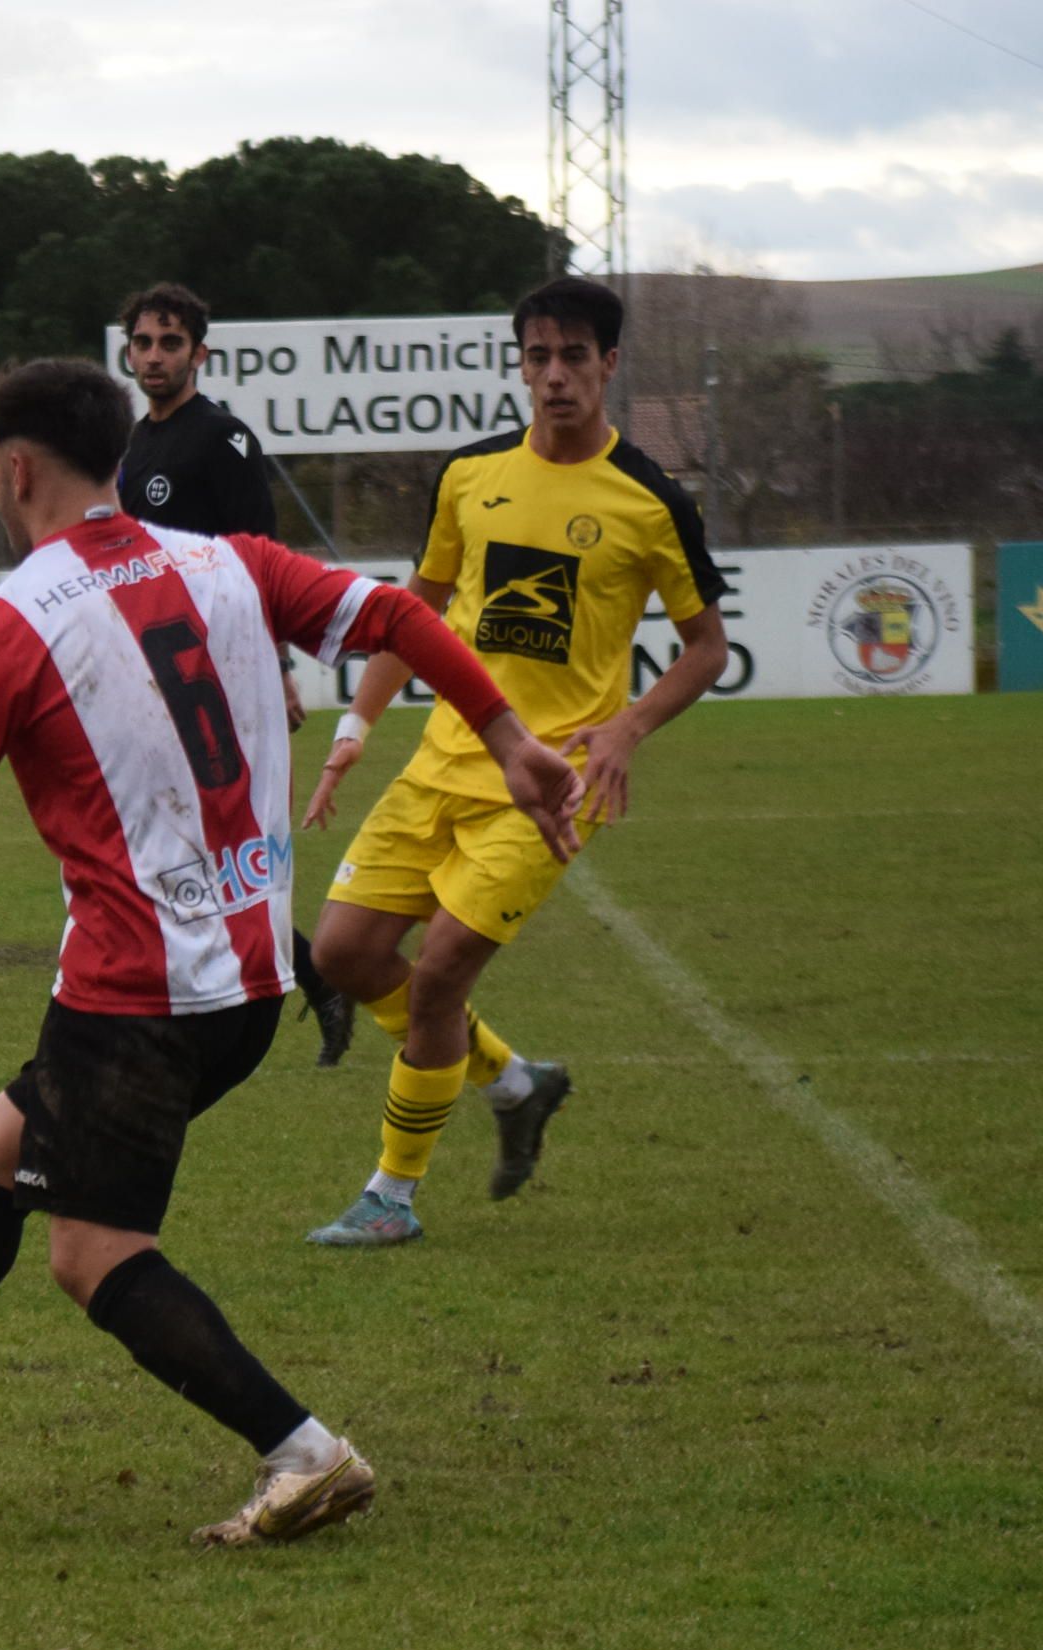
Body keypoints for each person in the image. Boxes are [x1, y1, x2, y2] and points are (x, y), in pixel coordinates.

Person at [0, 360, 581, 1544]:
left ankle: (304, 1453)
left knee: (92, 1252)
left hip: (135, 993)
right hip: (256, 974)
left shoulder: (11, 622)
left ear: (13, 467)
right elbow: (400, 616)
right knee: (1, 1148)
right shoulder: (228, 561)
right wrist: (510, 735)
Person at [297, 276, 729, 1248]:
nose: (555, 373)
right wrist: (354, 731)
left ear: (608, 364)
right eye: (538, 355)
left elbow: (706, 645)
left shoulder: (650, 500)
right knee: (341, 955)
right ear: (520, 364)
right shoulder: (468, 477)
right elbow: (409, 616)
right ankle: (515, 1083)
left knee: (441, 969)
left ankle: (391, 1196)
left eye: (575, 354)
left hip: (549, 787)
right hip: (439, 762)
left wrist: (624, 728)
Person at [116, 281, 355, 1067]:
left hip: (216, 669)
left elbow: (263, 559)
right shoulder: (134, 445)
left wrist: (277, 668)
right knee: (177, 843)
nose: (155, 355)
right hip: (152, 668)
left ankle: (276, 979)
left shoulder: (221, 439)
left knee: (208, 843)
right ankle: (305, 974)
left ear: (200, 353)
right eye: (144, 342)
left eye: (170, 343)